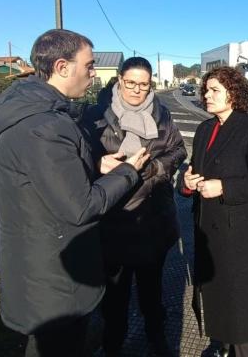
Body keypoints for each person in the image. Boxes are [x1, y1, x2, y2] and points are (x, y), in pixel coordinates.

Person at [0, 29, 149, 357]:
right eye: (89, 65)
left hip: (45, 273)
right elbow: (81, 205)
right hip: (52, 283)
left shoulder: (43, 116)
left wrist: (96, 164)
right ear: (62, 67)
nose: (93, 73)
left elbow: (51, 178)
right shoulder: (44, 127)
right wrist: (130, 171)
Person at [85, 57, 186, 357]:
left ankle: (156, 338)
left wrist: (154, 168)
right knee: (114, 299)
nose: (137, 90)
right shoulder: (96, 116)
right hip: (111, 221)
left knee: (152, 293)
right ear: (119, 80)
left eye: (144, 85)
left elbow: (178, 150)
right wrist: (98, 165)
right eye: (131, 83)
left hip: (152, 220)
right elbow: (77, 160)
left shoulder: (162, 115)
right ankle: (113, 344)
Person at [181, 66, 248, 357]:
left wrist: (224, 187)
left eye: (215, 91)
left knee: (242, 306)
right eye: (206, 90)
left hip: (242, 237)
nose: (207, 96)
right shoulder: (204, 129)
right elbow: (195, 171)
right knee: (218, 297)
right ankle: (221, 346)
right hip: (209, 231)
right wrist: (187, 182)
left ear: (234, 94)